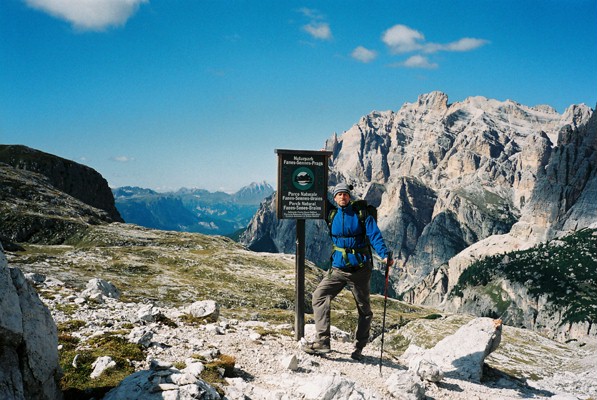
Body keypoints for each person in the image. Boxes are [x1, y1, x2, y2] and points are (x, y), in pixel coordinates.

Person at [303, 182, 393, 360]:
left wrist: (384, 254)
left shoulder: (361, 214)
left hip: (360, 270)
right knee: (319, 296)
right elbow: (318, 191)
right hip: (338, 268)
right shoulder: (331, 213)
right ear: (334, 198)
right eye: (338, 195)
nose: (342, 197)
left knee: (364, 309)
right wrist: (323, 162)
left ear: (349, 196)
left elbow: (374, 234)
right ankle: (322, 342)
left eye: (345, 194)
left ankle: (359, 346)